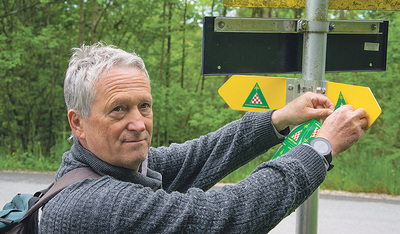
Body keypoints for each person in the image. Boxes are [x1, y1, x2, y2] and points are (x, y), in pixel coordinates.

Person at [40, 42, 367, 233]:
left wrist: (280, 118)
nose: (138, 123)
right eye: (118, 110)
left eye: (144, 106)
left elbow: (202, 154)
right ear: (78, 124)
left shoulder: (118, 165)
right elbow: (226, 215)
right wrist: (321, 148)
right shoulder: (93, 203)